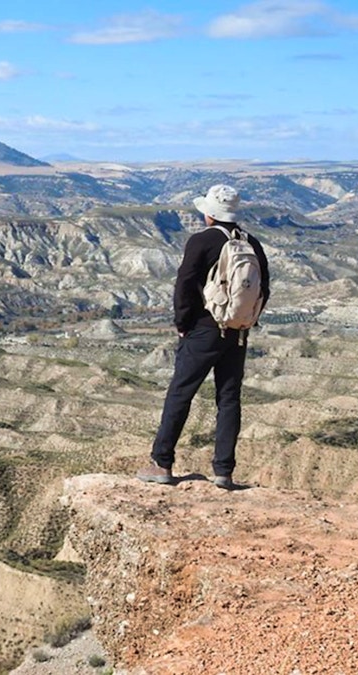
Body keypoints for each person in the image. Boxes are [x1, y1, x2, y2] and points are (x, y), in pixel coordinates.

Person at [137, 184, 270, 489]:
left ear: (210, 214)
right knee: (229, 398)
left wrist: (182, 323)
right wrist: (246, 320)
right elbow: (264, 289)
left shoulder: (201, 241)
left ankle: (162, 463)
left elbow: (184, 284)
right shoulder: (252, 243)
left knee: (180, 393)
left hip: (203, 329)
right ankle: (224, 472)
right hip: (237, 332)